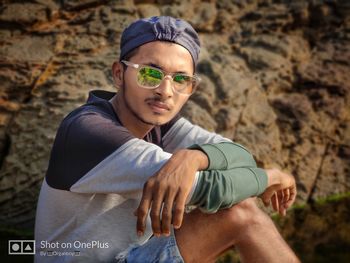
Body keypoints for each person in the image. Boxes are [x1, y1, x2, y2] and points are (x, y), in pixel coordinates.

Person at [35, 16, 299, 262]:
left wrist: (196, 156)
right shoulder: (89, 130)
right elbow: (217, 190)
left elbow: (241, 157)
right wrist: (273, 177)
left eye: (181, 79)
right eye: (150, 74)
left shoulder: (162, 126)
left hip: (133, 253)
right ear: (118, 74)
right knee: (239, 212)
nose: (165, 91)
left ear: (191, 88)